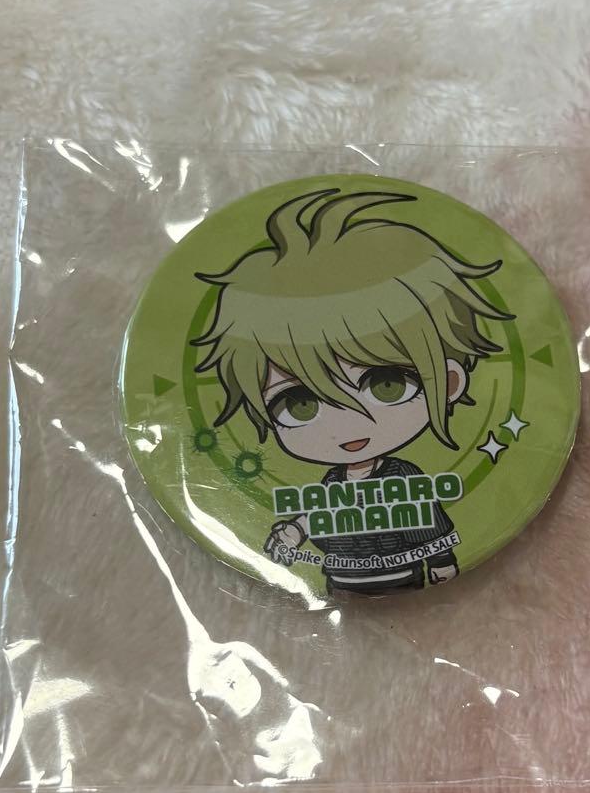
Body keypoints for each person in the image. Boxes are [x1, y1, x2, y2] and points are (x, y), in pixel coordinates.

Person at [193, 187, 512, 592]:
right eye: (300, 404)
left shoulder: (404, 476)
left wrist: (443, 562)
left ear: (449, 383)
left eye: (386, 385)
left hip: (403, 574)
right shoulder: (333, 482)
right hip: (339, 580)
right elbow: (322, 513)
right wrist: (294, 531)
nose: (347, 422)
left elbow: (427, 519)